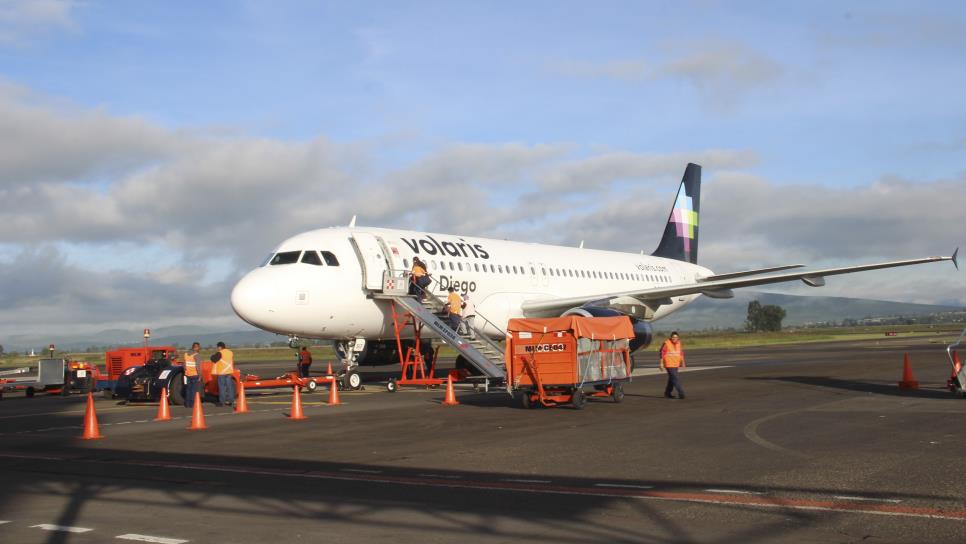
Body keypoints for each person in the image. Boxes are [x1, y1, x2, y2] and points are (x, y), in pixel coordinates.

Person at [660, 331, 686, 399]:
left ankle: (667, 393)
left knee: (672, 379)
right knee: (675, 378)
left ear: (678, 338)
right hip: (669, 364)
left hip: (676, 364)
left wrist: (683, 362)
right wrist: (661, 363)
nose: (675, 338)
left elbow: (681, 353)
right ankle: (681, 393)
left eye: (676, 337)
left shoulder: (679, 343)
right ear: (671, 337)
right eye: (673, 337)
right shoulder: (666, 343)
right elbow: (662, 353)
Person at [211, 341, 236, 406]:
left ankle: (222, 402)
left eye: (217, 347)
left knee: (222, 387)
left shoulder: (220, 353)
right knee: (230, 387)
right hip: (229, 372)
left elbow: (213, 359)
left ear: (220, 347)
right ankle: (231, 401)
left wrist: (213, 355)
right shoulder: (230, 352)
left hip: (222, 373)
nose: (217, 348)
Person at [183, 342, 202, 408]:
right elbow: (198, 367)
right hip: (195, 374)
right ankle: (192, 404)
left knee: (188, 389)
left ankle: (187, 404)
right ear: (196, 347)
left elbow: (184, 365)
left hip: (187, 374)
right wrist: (200, 375)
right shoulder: (197, 355)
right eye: (199, 347)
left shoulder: (186, 354)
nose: (199, 348)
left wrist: (185, 372)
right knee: (194, 390)